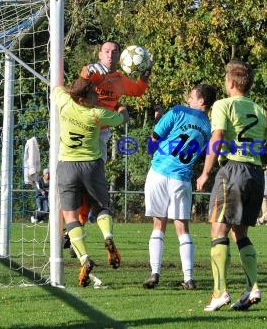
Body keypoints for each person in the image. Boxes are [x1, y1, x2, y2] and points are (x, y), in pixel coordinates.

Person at [196, 60, 267, 311]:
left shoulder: (223, 105)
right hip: (256, 173)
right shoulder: (261, 111)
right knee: (240, 233)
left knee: (219, 231)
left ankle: (219, 292)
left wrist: (205, 172)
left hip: (232, 170)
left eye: (226, 81)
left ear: (232, 83)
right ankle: (252, 287)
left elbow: (216, 138)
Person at [52, 76, 128, 287]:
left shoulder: (65, 103)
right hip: (91, 166)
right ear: (84, 99)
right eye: (93, 93)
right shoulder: (97, 114)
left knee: (70, 216)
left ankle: (84, 258)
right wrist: (122, 108)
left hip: (67, 166)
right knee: (101, 206)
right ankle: (108, 236)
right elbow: (123, 119)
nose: (98, 95)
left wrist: (70, 89)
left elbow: (58, 88)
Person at [142, 84, 217, 290]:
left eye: (192, 97)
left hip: (159, 172)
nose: (189, 100)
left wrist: (159, 121)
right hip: (182, 178)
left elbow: (155, 138)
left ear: (202, 101)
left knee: (159, 225)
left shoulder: (177, 111)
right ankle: (189, 278)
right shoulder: (209, 126)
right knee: (182, 228)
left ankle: (155, 273)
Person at [80, 40, 152, 162]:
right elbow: (80, 84)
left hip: (102, 132)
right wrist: (87, 70)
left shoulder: (120, 79)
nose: (110, 55)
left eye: (114, 52)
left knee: (98, 168)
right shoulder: (94, 72)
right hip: (82, 127)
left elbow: (138, 90)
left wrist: (146, 72)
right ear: (100, 55)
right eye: (106, 51)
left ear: (120, 56)